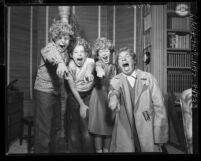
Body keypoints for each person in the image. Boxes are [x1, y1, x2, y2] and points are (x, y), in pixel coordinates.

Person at [108, 47, 168, 152]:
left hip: (147, 129)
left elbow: (159, 108)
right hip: (126, 130)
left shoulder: (149, 78)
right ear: (118, 64)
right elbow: (114, 91)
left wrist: (159, 135)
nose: (123, 59)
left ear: (134, 60)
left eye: (127, 56)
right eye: (120, 58)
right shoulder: (116, 80)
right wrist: (113, 98)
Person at [33, 20, 74, 153]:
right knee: (44, 129)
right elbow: (53, 56)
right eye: (59, 37)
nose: (63, 41)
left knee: (55, 127)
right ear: (54, 38)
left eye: (66, 38)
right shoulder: (49, 48)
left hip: (55, 92)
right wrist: (61, 64)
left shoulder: (66, 52)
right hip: (44, 91)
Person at [64, 37, 95, 153]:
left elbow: (90, 67)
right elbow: (72, 89)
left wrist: (88, 73)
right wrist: (81, 104)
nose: (79, 54)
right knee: (74, 130)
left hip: (88, 95)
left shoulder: (90, 61)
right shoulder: (69, 67)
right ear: (72, 55)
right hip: (74, 96)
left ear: (86, 54)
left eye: (82, 52)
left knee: (86, 129)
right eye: (76, 52)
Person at [88, 37, 116, 153]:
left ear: (110, 52)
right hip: (98, 98)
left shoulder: (114, 67)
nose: (105, 52)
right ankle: (99, 150)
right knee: (98, 128)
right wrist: (99, 71)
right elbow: (97, 67)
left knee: (109, 128)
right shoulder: (98, 63)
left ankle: (106, 150)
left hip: (110, 97)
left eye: (107, 50)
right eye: (102, 50)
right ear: (98, 55)